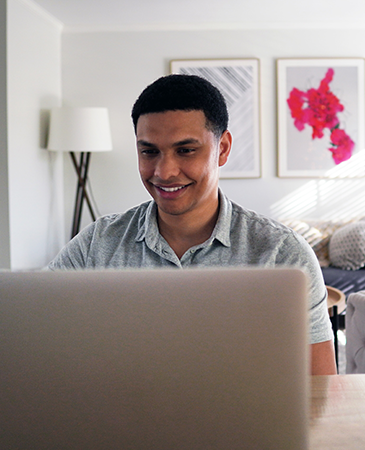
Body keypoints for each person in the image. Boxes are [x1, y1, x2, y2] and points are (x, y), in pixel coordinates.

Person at [48, 74, 336, 375]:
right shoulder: (97, 245)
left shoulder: (283, 253)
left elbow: (322, 390)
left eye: (185, 150)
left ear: (222, 148)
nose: (164, 171)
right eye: (149, 151)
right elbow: (37, 334)